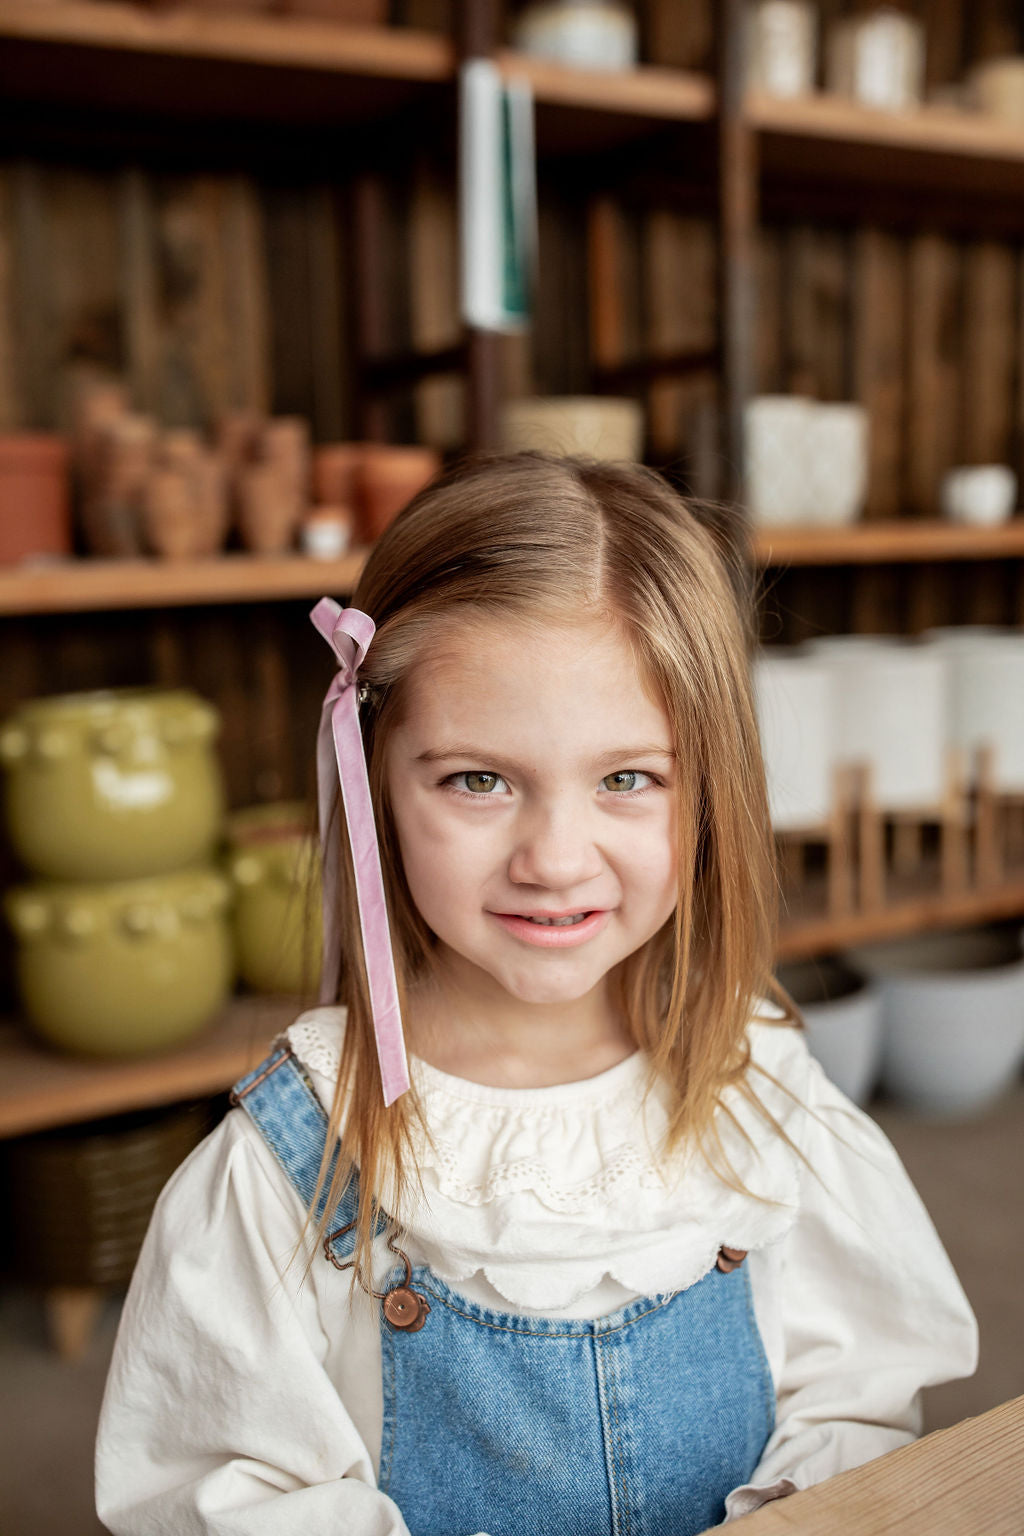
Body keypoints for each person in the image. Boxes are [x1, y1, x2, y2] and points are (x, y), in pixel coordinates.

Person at [96, 453, 977, 1536]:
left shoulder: (763, 1096)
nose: (556, 859)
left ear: (707, 790)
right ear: (375, 781)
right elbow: (217, 1493)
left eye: (626, 779)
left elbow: (857, 1400)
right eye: (479, 778)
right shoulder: (293, 1158)